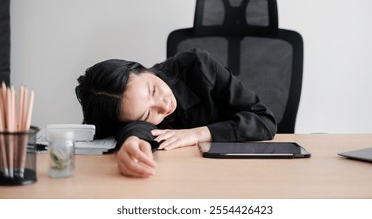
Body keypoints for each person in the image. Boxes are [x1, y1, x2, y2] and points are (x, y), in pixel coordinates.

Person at [75, 48, 277, 178]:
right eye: (147, 115)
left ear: (144, 69)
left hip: (241, 173)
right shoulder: (128, 120)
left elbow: (264, 119)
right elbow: (135, 129)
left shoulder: (198, 66)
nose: (164, 105)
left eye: (153, 90)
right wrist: (131, 140)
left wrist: (197, 133)